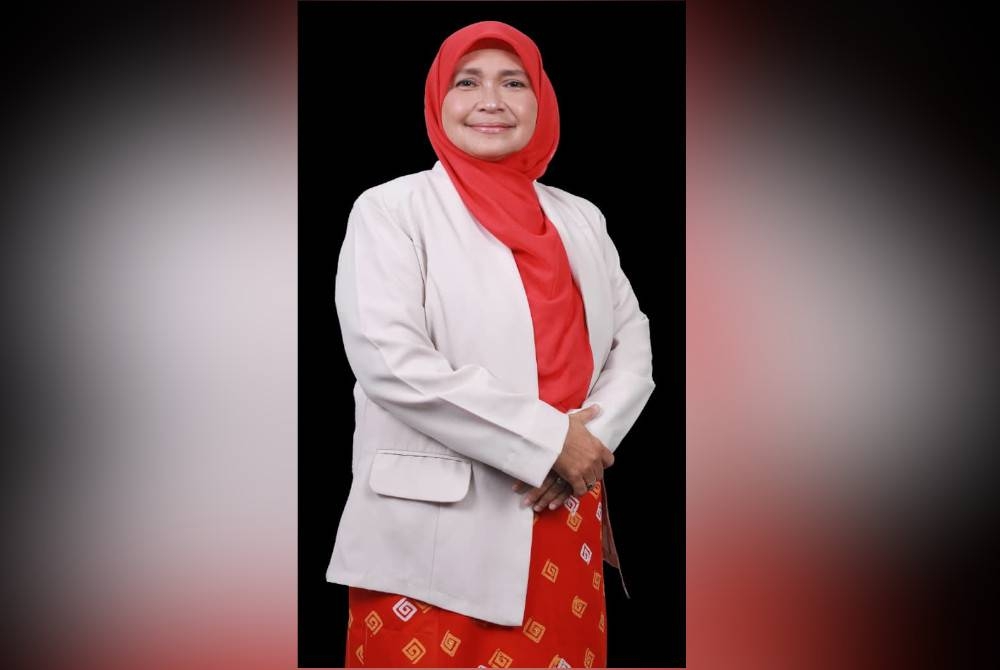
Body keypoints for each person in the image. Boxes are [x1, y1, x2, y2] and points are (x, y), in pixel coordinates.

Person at [326, 20, 655, 668]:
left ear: (541, 100)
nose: (491, 101)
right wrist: (549, 441)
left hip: (564, 504)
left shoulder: (580, 217)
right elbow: (390, 360)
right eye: (467, 82)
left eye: (513, 83)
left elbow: (631, 341)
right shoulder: (390, 209)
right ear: (438, 100)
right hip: (437, 530)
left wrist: (588, 444)